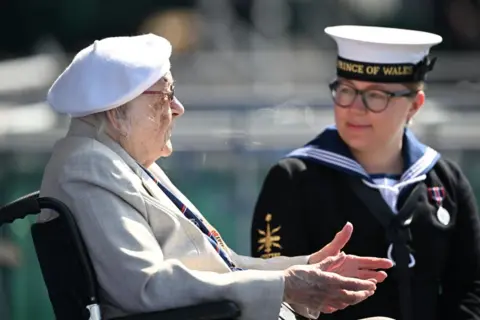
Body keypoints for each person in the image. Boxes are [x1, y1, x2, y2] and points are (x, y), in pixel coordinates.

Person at [38, 34, 393, 320]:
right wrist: (283, 286)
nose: (178, 109)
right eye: (165, 95)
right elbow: (144, 287)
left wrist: (305, 266)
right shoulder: (89, 166)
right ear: (117, 114)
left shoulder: (117, 159)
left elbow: (220, 265)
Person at [250, 25, 480, 320]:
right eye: (345, 90)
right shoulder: (294, 179)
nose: (355, 108)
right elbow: (274, 294)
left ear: (415, 104)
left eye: (376, 96)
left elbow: (469, 288)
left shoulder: (446, 180)